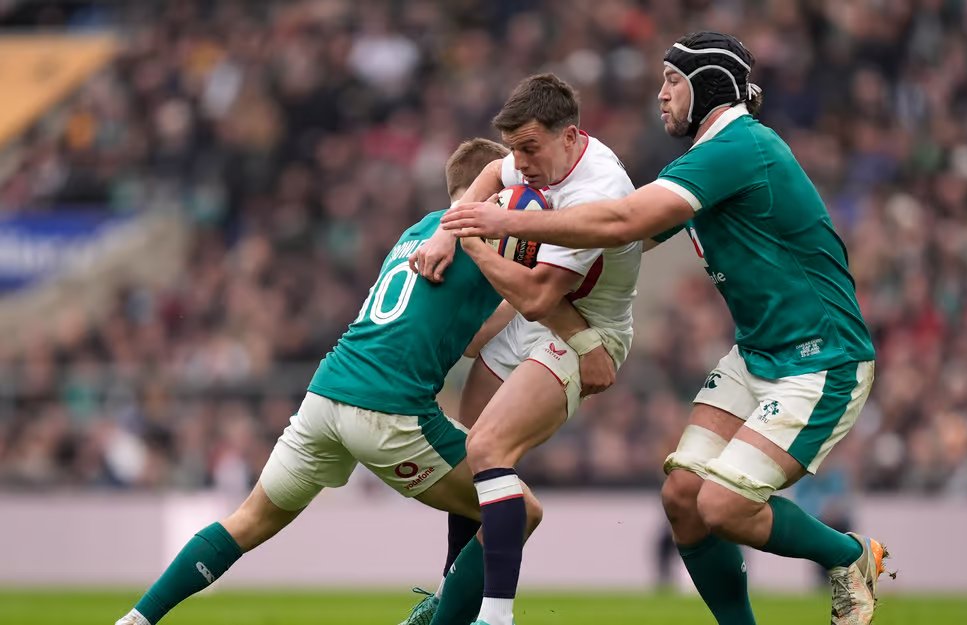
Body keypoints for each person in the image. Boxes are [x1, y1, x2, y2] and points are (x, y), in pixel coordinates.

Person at [443, 32, 891, 625]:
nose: (661, 95)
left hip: (821, 357)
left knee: (724, 506)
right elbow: (628, 237)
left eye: (672, 81)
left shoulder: (738, 147)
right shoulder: (704, 162)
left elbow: (625, 220)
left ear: (708, 87)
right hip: (759, 354)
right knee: (683, 499)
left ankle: (852, 554)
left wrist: (508, 221)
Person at [112, 138, 601, 625]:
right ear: (490, 190)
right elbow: (504, 308)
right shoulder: (487, 227)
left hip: (326, 393)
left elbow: (465, 335)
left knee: (247, 521)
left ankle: (137, 618)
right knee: (517, 511)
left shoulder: (418, 232)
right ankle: (446, 617)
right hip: (389, 410)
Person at [406, 73, 642, 625]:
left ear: (571, 136)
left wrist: (474, 242)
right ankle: (450, 598)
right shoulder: (533, 157)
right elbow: (490, 170)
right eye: (516, 149)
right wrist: (448, 229)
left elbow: (537, 297)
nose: (522, 163)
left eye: (530, 149)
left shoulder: (596, 191)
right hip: (543, 313)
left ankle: (494, 616)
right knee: (468, 450)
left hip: (587, 330)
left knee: (488, 448)